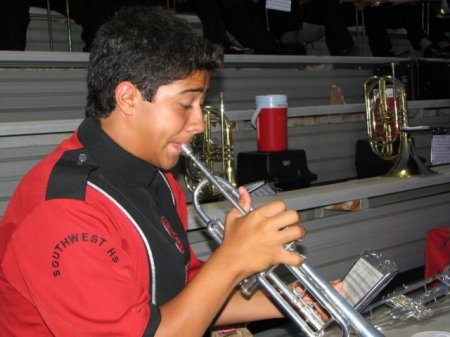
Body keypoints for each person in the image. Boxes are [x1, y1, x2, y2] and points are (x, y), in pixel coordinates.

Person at [0, 5, 314, 336]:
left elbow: (184, 295)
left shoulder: (159, 178)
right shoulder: (64, 212)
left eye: (201, 105)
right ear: (128, 98)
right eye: (185, 105)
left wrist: (298, 301)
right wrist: (233, 260)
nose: (197, 124)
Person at [353, 0, 450, 58]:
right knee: (373, 14)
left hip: (399, 9)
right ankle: (430, 46)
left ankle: (435, 45)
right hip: (379, 11)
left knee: (415, 9)